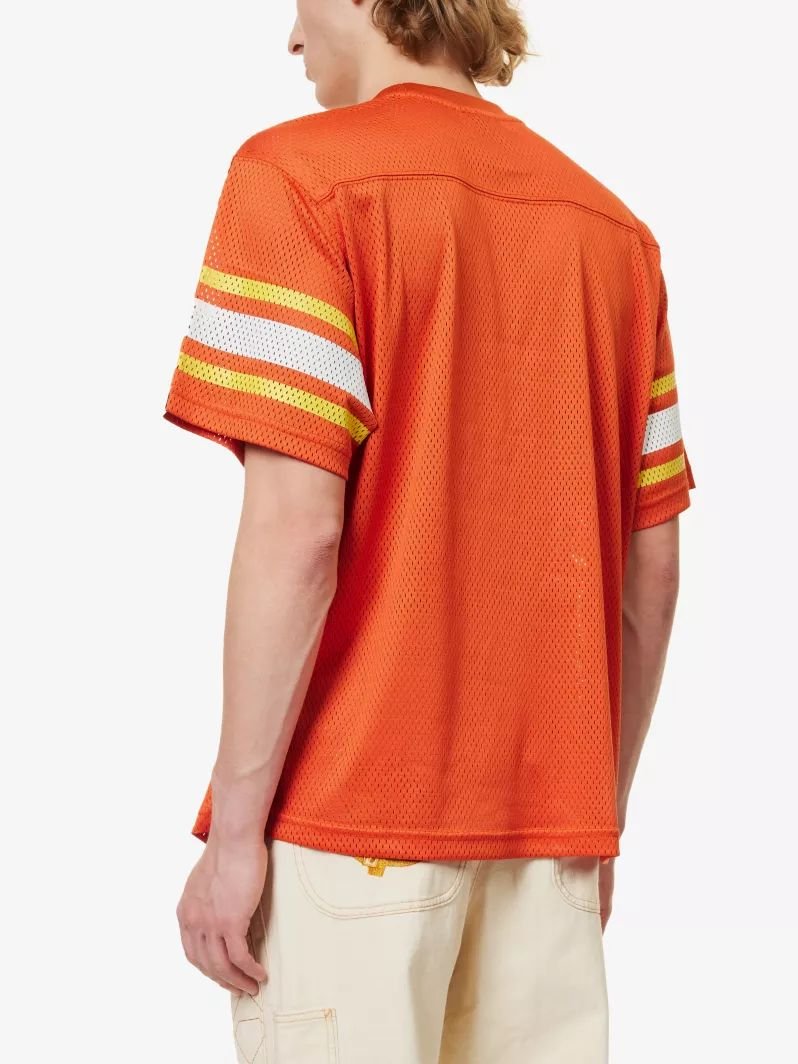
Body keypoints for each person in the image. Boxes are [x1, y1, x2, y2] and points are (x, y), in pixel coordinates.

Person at [163, 1, 697, 1061]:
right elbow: (653, 570)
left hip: (349, 819)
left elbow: (297, 532)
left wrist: (235, 833)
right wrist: (598, 814)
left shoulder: (298, 180)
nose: (291, 37)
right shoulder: (615, 236)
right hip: (550, 838)